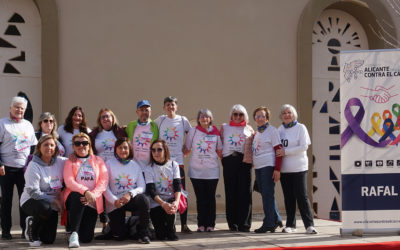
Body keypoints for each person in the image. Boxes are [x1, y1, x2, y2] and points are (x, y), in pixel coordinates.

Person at [0, 96, 37, 240]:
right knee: (6, 201)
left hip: (23, 169)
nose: (19, 110)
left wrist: (30, 165)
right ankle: (6, 230)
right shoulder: (3, 123)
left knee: (24, 201)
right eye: (16, 107)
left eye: (22, 108)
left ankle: (24, 229)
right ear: (10, 108)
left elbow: (33, 146)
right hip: (6, 169)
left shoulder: (28, 124)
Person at [277, 104, 317, 234]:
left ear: (294, 114)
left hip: (299, 167)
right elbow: (277, 149)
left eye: (289, 112)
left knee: (302, 196)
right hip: (284, 169)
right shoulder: (279, 129)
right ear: (281, 116)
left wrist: (286, 152)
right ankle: (290, 225)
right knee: (288, 197)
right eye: (284, 113)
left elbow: (304, 146)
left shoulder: (301, 127)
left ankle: (309, 225)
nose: (287, 115)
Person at [63, 133, 108, 248]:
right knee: (78, 197)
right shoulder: (70, 161)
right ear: (73, 146)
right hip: (74, 199)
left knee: (86, 238)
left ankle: (76, 230)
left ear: (89, 145)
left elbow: (103, 181)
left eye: (84, 143)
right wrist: (85, 191)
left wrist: (92, 194)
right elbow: (69, 181)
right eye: (77, 143)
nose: (81, 145)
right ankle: (73, 233)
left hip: (92, 201)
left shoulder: (98, 160)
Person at [154, 96, 192, 233]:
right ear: (164, 107)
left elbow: (193, 134)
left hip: (179, 163)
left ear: (177, 107)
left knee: (181, 193)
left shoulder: (183, 120)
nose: (171, 107)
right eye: (168, 105)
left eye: (173, 105)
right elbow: (148, 127)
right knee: (165, 192)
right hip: (163, 163)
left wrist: (187, 147)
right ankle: (170, 223)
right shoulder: (160, 120)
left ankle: (184, 224)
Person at [20, 135, 66, 247]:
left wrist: (74, 155)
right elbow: (33, 192)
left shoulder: (60, 161)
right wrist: (55, 201)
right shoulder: (33, 165)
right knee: (44, 207)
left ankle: (38, 225)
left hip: (50, 205)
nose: (49, 147)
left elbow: (76, 161)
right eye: (45, 145)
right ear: (39, 147)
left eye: (52, 145)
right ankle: (32, 232)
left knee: (48, 239)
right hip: (31, 201)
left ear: (55, 148)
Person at [103, 137, 151, 243]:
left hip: (130, 200)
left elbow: (142, 187)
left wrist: (130, 194)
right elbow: (104, 187)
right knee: (119, 237)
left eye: (125, 147)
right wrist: (114, 200)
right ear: (115, 149)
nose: (123, 150)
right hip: (115, 202)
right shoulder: (108, 164)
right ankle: (124, 224)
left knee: (144, 199)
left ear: (129, 149)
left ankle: (143, 232)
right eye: (120, 147)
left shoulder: (135, 165)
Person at [89, 108, 127, 231]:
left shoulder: (120, 131)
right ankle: (104, 223)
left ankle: (115, 222)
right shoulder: (94, 134)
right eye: (103, 117)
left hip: (116, 167)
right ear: (99, 120)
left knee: (113, 192)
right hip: (99, 168)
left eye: (108, 116)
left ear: (112, 118)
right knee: (102, 194)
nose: (105, 119)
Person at [184, 109, 222, 232]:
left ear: (210, 119)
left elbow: (220, 150)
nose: (204, 119)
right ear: (198, 119)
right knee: (200, 198)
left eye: (207, 117)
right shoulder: (193, 131)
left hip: (212, 171)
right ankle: (201, 224)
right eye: (202, 117)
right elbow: (187, 148)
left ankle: (210, 224)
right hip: (196, 171)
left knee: (210, 198)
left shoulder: (216, 132)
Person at [220, 104, 254, 232]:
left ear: (245, 116)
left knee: (245, 193)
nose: (238, 117)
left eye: (241, 114)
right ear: (231, 115)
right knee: (231, 192)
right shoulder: (224, 127)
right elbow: (219, 144)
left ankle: (244, 224)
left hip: (244, 161)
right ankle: (232, 223)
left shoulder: (249, 129)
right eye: (235, 114)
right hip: (229, 161)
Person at [252, 106, 283, 233]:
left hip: (268, 166)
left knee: (267, 195)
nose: (260, 118)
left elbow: (279, 151)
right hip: (258, 167)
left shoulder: (272, 131)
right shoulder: (258, 132)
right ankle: (276, 218)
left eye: (262, 116)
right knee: (266, 194)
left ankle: (269, 223)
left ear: (267, 118)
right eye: (257, 116)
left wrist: (277, 169)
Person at [145, 139, 181, 241]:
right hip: (157, 202)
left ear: (165, 150)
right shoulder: (149, 168)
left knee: (170, 236)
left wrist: (176, 202)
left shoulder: (174, 165)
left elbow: (177, 186)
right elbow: (151, 191)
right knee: (160, 235)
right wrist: (163, 204)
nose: (156, 153)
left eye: (159, 150)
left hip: (170, 200)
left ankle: (171, 229)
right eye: (153, 150)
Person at [126, 100, 159, 172]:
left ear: (150, 112)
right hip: (133, 167)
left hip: (150, 168)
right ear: (137, 112)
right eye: (141, 110)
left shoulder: (155, 126)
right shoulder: (131, 126)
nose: (144, 112)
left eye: (146, 110)